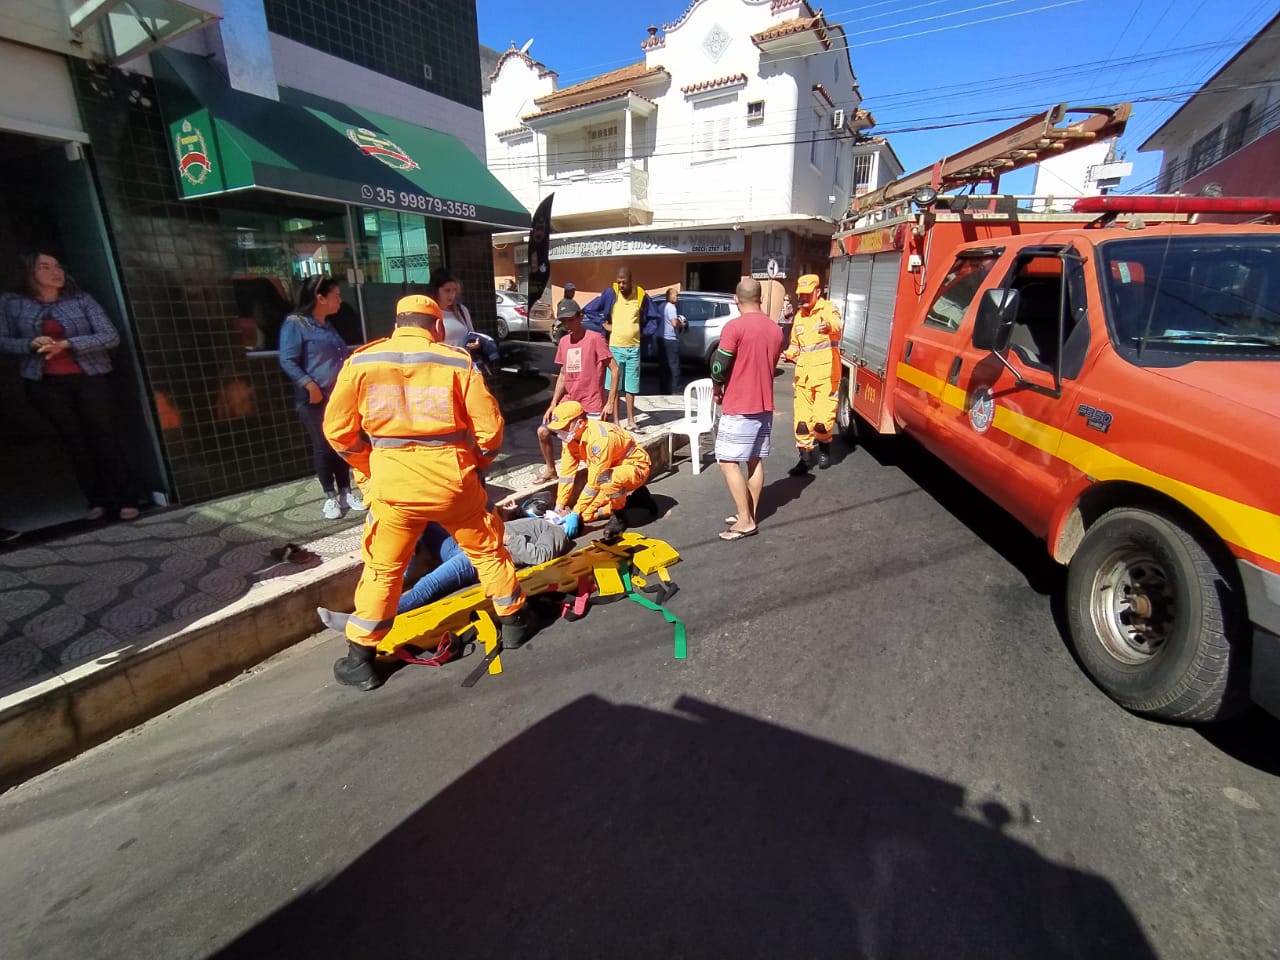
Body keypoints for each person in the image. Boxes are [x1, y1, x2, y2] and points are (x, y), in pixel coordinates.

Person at [322, 294, 529, 691]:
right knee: (486, 551)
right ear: (436, 327)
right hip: (452, 482)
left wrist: (369, 468)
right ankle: (515, 623)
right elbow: (490, 431)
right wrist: (475, 463)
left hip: (393, 487)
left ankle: (360, 659)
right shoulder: (456, 361)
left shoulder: (362, 361)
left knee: (385, 570)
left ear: (397, 324)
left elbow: (337, 432)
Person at [0, 251, 138, 521]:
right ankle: (96, 500)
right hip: (46, 382)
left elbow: (109, 335)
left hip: (90, 377)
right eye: (45, 267)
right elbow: (3, 340)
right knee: (73, 441)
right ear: (29, 273)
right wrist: (29, 344)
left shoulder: (80, 299)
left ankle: (126, 498)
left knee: (104, 436)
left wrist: (69, 344)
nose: (56, 271)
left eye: (58, 265)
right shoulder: (12, 303)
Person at [316, 511, 569, 630]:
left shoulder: (556, 531)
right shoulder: (537, 521)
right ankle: (397, 580)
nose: (561, 508)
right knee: (418, 519)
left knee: (429, 585)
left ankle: (363, 620)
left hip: (481, 556)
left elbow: (540, 556)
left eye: (564, 511)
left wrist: (507, 540)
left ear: (566, 520)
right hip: (466, 541)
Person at [278, 275, 362, 520]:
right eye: (335, 296)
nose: (339, 300)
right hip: (314, 399)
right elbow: (287, 360)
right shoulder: (296, 324)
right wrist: (310, 385)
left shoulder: (326, 324)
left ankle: (346, 492)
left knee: (341, 442)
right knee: (323, 446)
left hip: (337, 397)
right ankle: (330, 497)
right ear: (320, 298)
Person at [709, 278, 784, 541]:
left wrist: (717, 387)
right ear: (760, 298)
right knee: (754, 460)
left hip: (740, 405)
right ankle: (749, 511)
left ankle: (745, 520)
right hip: (765, 405)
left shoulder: (734, 327)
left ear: (735, 299)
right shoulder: (775, 330)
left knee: (727, 461)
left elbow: (720, 364)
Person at [534, 300, 619, 483]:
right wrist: (553, 403)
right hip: (569, 404)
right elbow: (563, 374)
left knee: (594, 450)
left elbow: (615, 369)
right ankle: (551, 470)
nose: (567, 325)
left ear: (580, 317)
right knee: (543, 431)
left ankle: (603, 481)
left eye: (570, 320)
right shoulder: (564, 342)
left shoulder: (595, 338)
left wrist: (610, 401)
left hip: (592, 406)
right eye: (563, 321)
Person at [547, 399, 653, 538]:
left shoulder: (599, 439)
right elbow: (567, 474)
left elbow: (594, 482)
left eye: (564, 427)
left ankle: (619, 518)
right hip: (609, 473)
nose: (560, 432)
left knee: (606, 480)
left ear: (579, 423)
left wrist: (574, 512)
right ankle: (635, 500)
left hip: (635, 468)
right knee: (585, 516)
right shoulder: (570, 439)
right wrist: (560, 504)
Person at [582, 266, 663, 432]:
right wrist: (603, 323)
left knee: (631, 387)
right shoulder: (611, 294)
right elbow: (589, 309)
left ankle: (631, 421)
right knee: (615, 386)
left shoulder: (641, 295)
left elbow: (655, 317)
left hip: (634, 348)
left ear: (631, 281)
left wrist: (644, 332)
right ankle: (617, 421)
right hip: (615, 348)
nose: (621, 285)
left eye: (624, 282)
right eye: (619, 282)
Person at [784, 273, 843, 475]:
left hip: (826, 375)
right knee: (801, 422)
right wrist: (789, 354)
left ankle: (824, 449)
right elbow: (795, 344)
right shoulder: (800, 316)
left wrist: (828, 326)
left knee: (822, 420)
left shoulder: (828, 309)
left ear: (818, 292)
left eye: (808, 294)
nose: (804, 298)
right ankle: (805, 458)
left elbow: (838, 325)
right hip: (803, 378)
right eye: (802, 294)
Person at [658, 287, 684, 394]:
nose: (677, 297)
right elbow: (674, 323)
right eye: (675, 295)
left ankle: (663, 390)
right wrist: (682, 323)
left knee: (663, 366)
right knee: (674, 366)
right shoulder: (672, 307)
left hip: (660, 338)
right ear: (669, 296)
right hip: (670, 339)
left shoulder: (661, 306)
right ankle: (676, 390)